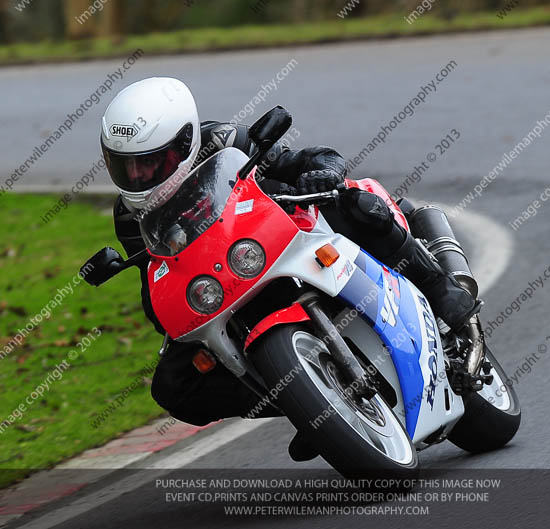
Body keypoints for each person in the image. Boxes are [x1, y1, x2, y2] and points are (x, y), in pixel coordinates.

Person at [99, 77, 478, 460]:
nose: (138, 177)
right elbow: (156, 284)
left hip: (293, 233)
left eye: (148, 163)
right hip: (227, 282)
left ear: (185, 143)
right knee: (174, 386)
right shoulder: (129, 215)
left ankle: (438, 286)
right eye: (126, 167)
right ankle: (317, 402)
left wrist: (323, 173)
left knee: (357, 203)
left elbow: (307, 158)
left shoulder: (226, 140)